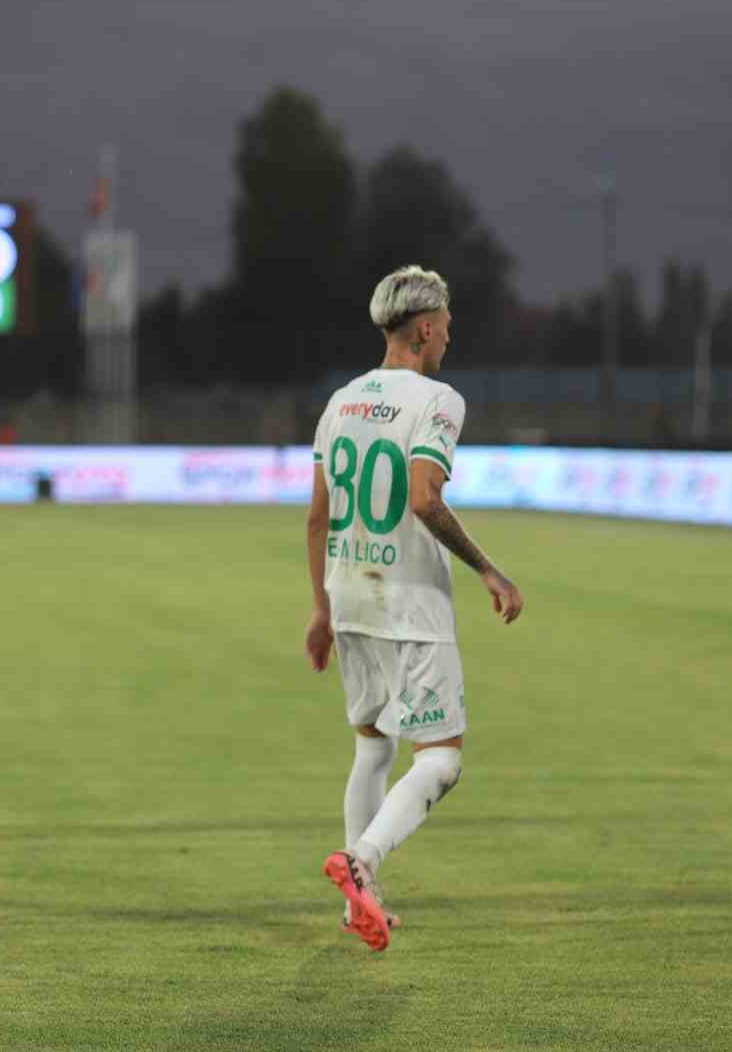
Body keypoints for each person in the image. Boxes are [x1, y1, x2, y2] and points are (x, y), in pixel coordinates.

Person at [305, 265, 523, 952]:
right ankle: (361, 863)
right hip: (408, 602)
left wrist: (319, 610)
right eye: (448, 326)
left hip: (347, 594)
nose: (450, 338)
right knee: (442, 760)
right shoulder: (437, 400)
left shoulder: (341, 400)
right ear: (425, 328)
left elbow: (317, 518)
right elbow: (425, 498)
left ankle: (356, 905)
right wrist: (488, 568)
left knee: (373, 744)